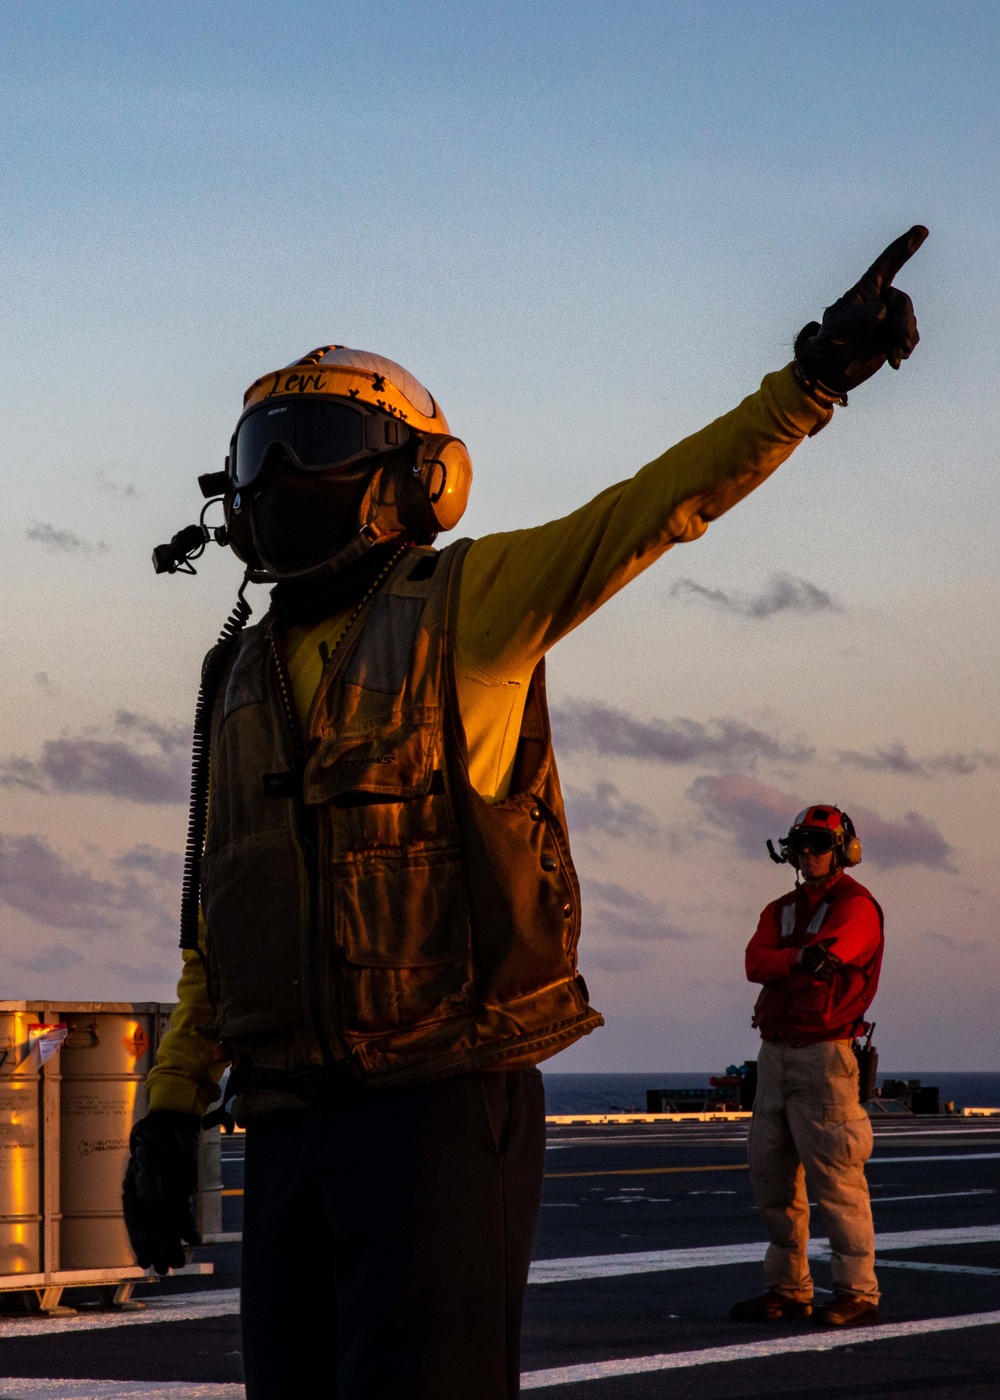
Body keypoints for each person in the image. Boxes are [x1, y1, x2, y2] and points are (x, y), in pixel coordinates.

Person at [123, 227, 925, 1397]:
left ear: (418, 478)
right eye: (267, 448)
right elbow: (221, 924)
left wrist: (808, 384)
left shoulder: (472, 605)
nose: (286, 474)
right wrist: (172, 1101)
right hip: (290, 1124)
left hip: (439, 1107)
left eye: (322, 443)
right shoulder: (237, 675)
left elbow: (656, 507)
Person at [732, 805, 885, 1329]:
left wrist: (788, 963)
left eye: (820, 844)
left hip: (825, 1056)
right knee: (771, 1181)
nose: (809, 853)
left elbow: (829, 963)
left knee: (838, 1183)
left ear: (843, 851)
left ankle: (858, 1292)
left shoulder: (858, 908)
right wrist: (798, 962)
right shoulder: (779, 909)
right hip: (774, 1056)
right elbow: (756, 964)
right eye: (802, 844)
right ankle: (788, 1288)